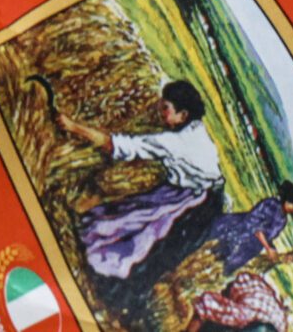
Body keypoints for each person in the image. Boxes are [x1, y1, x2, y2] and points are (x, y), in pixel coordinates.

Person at [39, 79, 224, 282]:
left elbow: (118, 145)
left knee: (149, 239)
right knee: (132, 212)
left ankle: (110, 274)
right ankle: (98, 244)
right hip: (190, 189)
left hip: (200, 204)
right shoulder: (192, 128)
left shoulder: (177, 142)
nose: (159, 111)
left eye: (166, 108)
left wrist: (73, 127)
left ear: (183, 115)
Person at [191, 266, 293, 332]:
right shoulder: (239, 316)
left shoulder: (282, 327)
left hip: (269, 306)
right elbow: (205, 304)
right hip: (245, 283)